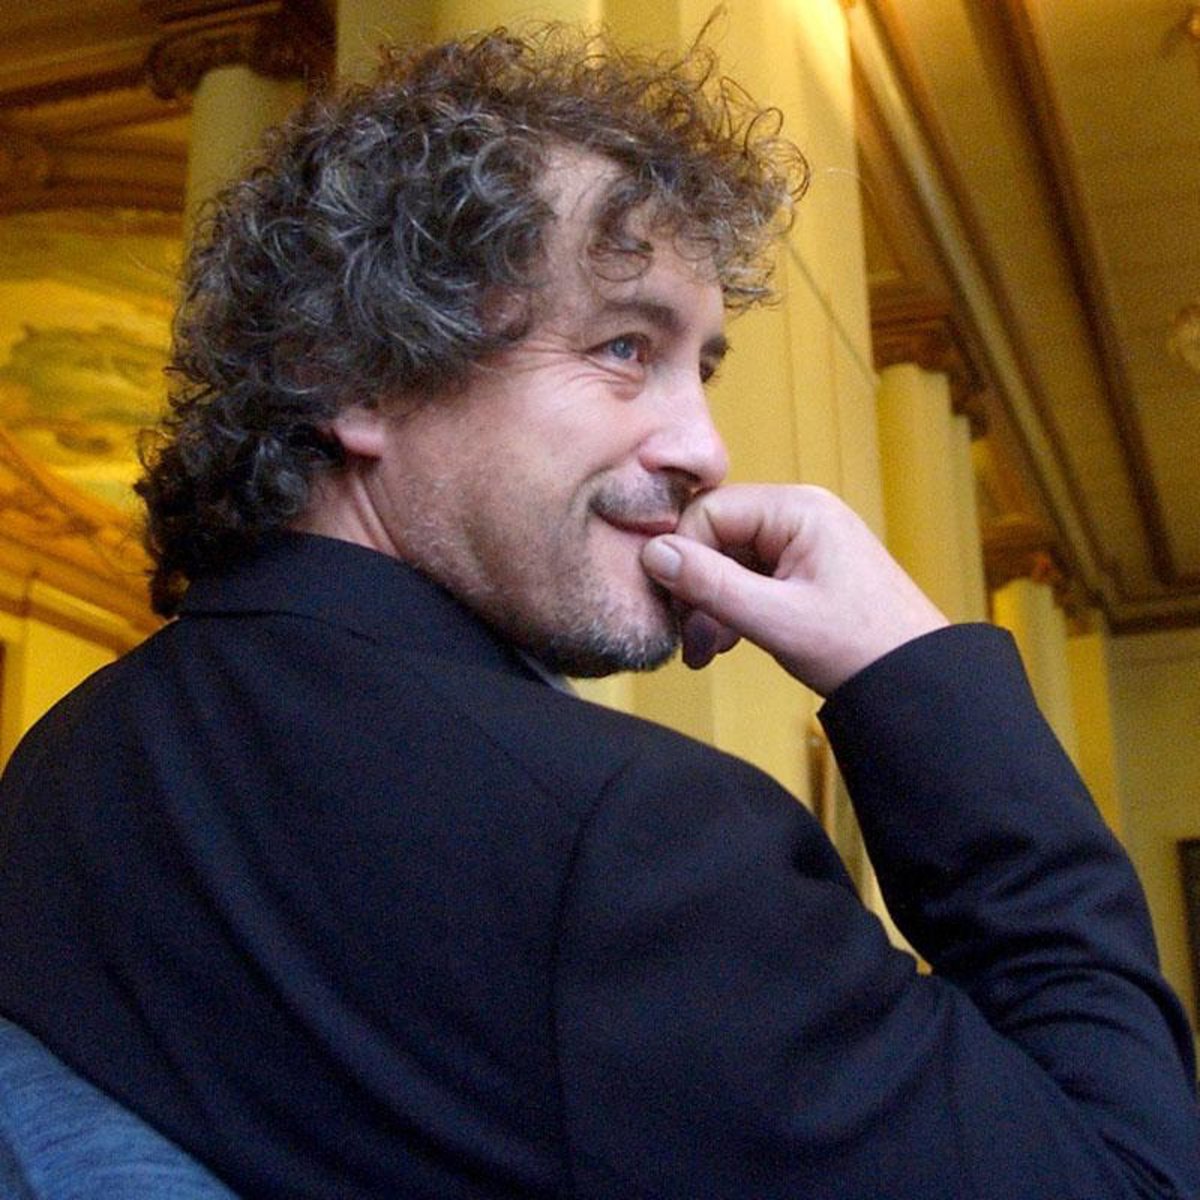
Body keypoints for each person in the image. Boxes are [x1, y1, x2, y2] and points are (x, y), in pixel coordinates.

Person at [0, 24, 1197, 1200]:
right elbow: (1134, 1176)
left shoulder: (61, 760)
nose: (704, 450)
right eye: (625, 347)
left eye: (701, 369)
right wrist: (913, 675)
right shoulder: (635, 844)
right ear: (352, 373)